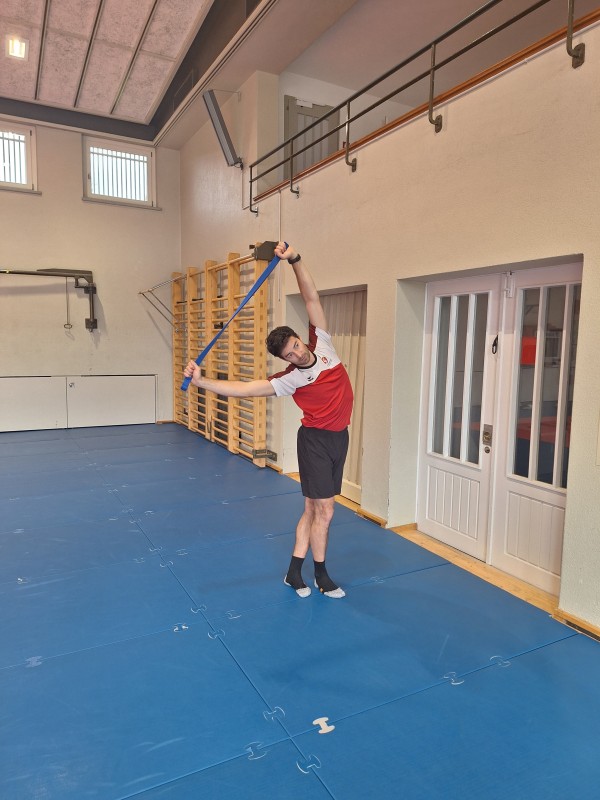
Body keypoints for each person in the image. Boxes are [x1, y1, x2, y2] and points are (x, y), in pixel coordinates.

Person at [183, 241, 354, 599]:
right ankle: (322, 576)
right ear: (284, 359)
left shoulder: (323, 345)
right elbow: (245, 389)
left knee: (313, 508)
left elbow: (311, 298)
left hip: (340, 437)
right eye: (289, 353)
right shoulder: (290, 379)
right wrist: (201, 381)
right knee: (325, 510)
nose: (297, 353)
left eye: (296, 345)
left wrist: (295, 260)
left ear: (300, 338)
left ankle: (293, 573)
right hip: (316, 442)